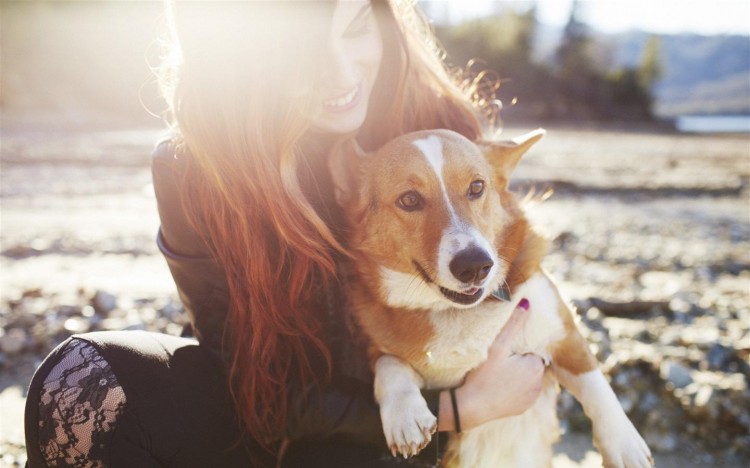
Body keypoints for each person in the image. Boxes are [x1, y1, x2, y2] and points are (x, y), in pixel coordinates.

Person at [24, 1, 546, 466]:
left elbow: (509, 272)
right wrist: (459, 408)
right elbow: (252, 385)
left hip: (401, 428)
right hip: (259, 417)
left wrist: (478, 393)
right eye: (306, 50)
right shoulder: (196, 168)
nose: (341, 73)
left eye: (357, 24)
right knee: (81, 377)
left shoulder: (436, 131)